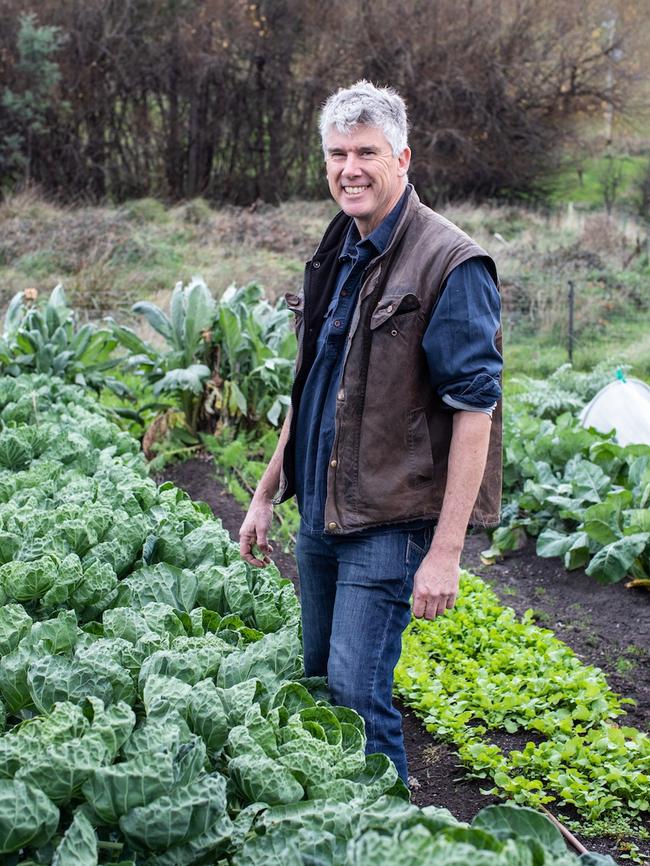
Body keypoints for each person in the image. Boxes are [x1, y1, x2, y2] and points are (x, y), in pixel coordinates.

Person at [239, 80, 502, 783]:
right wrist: (267, 492)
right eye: (336, 154)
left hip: (389, 519)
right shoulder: (338, 250)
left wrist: (446, 553)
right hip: (322, 513)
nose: (348, 168)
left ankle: (385, 833)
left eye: (365, 152)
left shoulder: (450, 262)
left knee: (358, 696)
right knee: (324, 682)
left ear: (403, 157)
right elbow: (313, 387)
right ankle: (336, 822)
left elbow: (477, 413)